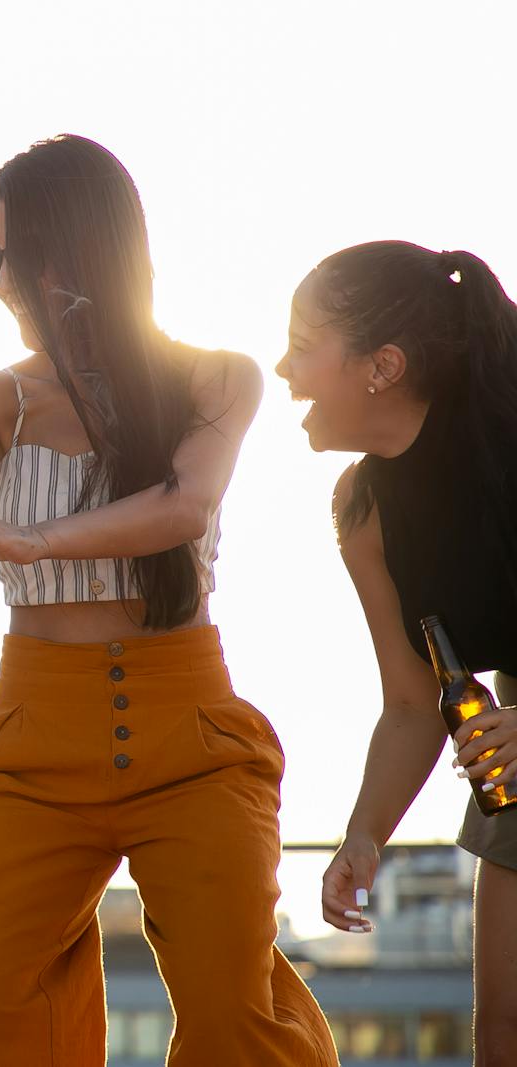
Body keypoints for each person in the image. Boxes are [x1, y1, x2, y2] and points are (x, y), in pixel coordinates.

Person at [0, 134, 338, 1065]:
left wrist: (29, 539)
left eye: (13, 255)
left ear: (88, 248)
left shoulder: (215, 377)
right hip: (33, 742)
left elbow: (184, 507)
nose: (1, 282)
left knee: (235, 1021)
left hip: (194, 738)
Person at [279, 240, 517, 1063]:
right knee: (504, 1030)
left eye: (303, 347)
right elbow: (413, 705)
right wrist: (363, 835)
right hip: (513, 748)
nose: (283, 368)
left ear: (381, 365)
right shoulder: (365, 512)